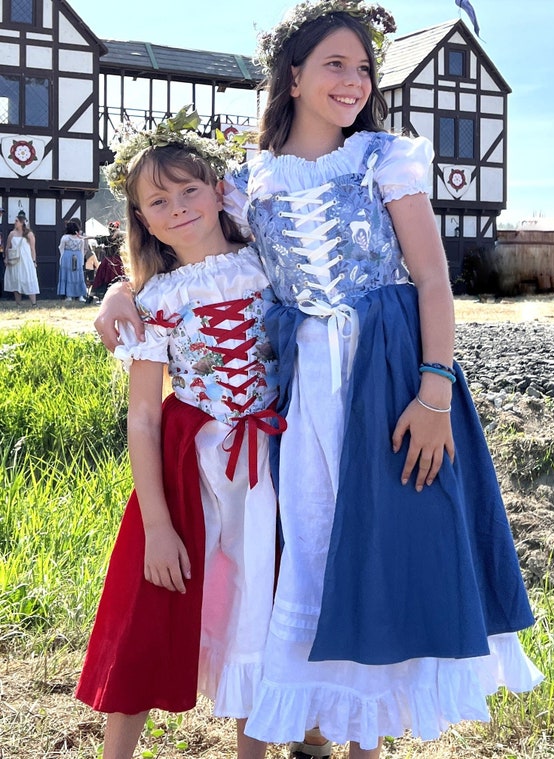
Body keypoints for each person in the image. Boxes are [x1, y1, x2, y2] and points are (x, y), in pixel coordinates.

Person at [93, 3, 543, 758]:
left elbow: (433, 278)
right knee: (313, 544)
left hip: (389, 370)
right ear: (293, 74)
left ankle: (361, 732)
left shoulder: (384, 158)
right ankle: (314, 723)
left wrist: (434, 393)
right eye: (336, 63)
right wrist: (119, 293)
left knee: (385, 539)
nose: (354, 80)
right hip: (304, 383)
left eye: (364, 67)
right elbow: (192, 248)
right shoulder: (248, 180)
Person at [75, 114, 282, 759]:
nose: (176, 207)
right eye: (157, 201)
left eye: (188, 189)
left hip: (273, 463)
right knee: (153, 602)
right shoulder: (155, 299)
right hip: (188, 468)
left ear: (219, 188)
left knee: (263, 608)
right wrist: (158, 525)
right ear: (140, 218)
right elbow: (143, 414)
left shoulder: (272, 264)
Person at [3, 212, 40, 306]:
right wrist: (6, 258)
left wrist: (34, 261)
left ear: (21, 222)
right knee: (16, 280)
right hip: (15, 260)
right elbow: (8, 247)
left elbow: (32, 249)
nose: (15, 223)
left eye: (16, 221)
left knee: (28, 279)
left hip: (26, 260)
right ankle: (18, 303)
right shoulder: (12, 234)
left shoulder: (29, 234)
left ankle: (34, 303)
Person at [57, 220, 88, 301]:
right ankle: (80, 295)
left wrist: (62, 258)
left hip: (67, 256)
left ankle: (69, 296)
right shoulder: (80, 238)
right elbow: (82, 250)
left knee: (67, 275)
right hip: (78, 256)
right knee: (78, 275)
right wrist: (81, 261)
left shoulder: (65, 237)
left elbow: (61, 248)